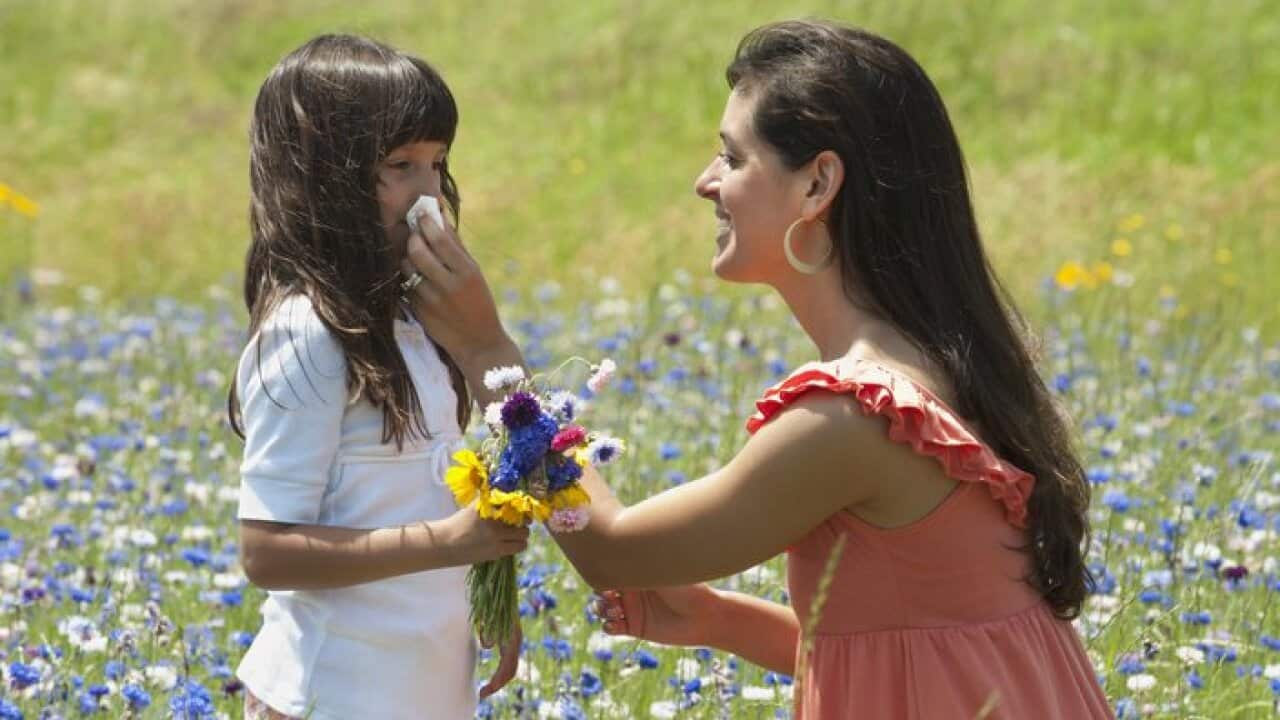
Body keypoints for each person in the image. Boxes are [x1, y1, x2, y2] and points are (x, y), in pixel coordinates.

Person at [405, 19, 1114, 719]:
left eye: (733, 158)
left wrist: (492, 360)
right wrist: (719, 620)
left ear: (818, 185)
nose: (704, 183)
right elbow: (927, 648)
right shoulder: (946, 366)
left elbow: (614, 552)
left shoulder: (853, 416)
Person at [228, 34, 528, 720]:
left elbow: (429, 486)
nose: (428, 194)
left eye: (438, 163)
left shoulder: (418, 319)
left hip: (422, 684)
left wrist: (488, 593)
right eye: (400, 165)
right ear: (321, 174)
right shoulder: (308, 330)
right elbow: (266, 551)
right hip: (332, 691)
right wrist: (450, 543)